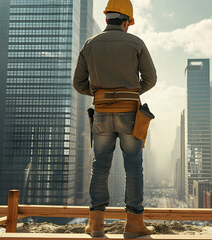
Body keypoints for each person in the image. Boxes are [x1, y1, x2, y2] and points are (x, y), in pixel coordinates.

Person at [72, 0, 157, 238]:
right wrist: (130, 91)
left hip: (101, 113)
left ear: (107, 18)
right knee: (133, 168)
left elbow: (79, 83)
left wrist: (101, 93)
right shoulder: (136, 43)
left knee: (100, 167)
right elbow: (150, 79)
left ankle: (96, 224)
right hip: (130, 113)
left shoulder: (90, 44)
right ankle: (133, 225)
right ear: (127, 21)